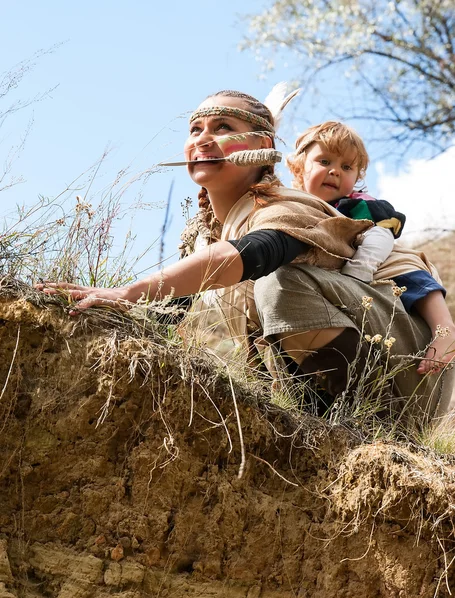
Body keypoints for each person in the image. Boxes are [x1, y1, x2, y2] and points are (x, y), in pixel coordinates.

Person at [34, 89, 453, 422]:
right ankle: (318, 419)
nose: (203, 137)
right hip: (336, 375)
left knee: (280, 284)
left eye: (222, 126)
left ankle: (364, 419)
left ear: (262, 146)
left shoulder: (288, 206)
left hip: (411, 372)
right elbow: (168, 312)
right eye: (195, 128)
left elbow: (259, 252)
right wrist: (103, 314)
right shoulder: (206, 236)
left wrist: (130, 290)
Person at [286, 121, 455, 376]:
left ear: (357, 177)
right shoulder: (295, 206)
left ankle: (445, 330)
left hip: (373, 263)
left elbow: (382, 233)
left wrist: (360, 268)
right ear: (299, 167)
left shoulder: (357, 204)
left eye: (346, 167)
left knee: (411, 273)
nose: (335, 172)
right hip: (330, 275)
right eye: (324, 162)